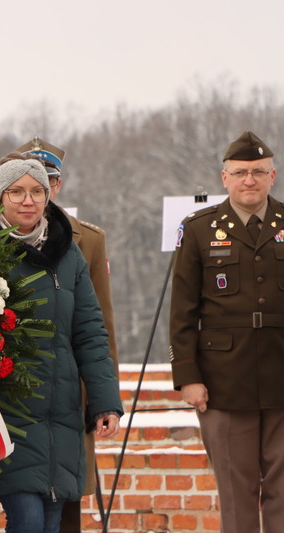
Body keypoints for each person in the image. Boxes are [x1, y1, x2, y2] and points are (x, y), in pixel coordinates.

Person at [0, 157, 122, 533]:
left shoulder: (68, 252)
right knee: (27, 519)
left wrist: (105, 402)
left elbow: (90, 331)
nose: (28, 200)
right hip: (9, 411)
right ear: (0, 197)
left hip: (62, 411)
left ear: (48, 195)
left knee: (52, 522)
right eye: (16, 192)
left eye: (36, 191)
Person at [170, 130, 284, 533]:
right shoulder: (199, 228)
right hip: (223, 382)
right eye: (240, 172)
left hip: (281, 376)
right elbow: (182, 310)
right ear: (224, 178)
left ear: (273, 176)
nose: (248, 180)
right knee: (236, 495)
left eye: (258, 172)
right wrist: (188, 377)